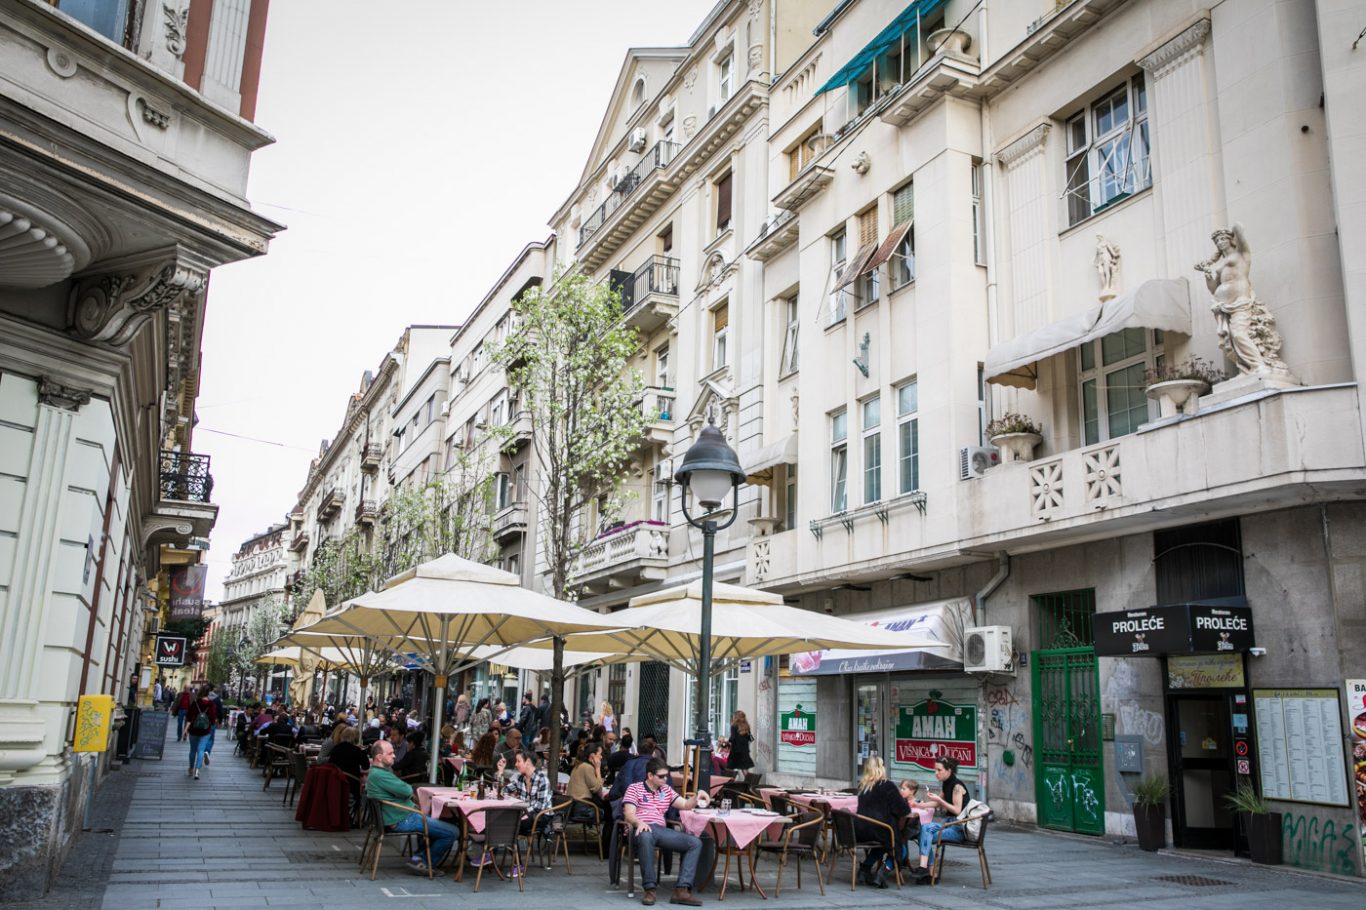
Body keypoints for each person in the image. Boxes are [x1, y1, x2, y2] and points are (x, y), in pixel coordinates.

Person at [366, 740, 458, 876]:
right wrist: (405, 790)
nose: (394, 756)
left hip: (400, 816)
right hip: (402, 818)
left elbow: (403, 789)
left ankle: (418, 858)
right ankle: (424, 863)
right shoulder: (380, 775)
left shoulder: (378, 772)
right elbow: (407, 791)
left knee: (444, 822)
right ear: (379, 757)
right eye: (390, 753)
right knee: (453, 832)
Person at [623, 758, 707, 907]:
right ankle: (650, 889)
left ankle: (681, 890)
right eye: (661, 776)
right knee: (646, 837)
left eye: (666, 776)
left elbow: (685, 805)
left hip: (660, 829)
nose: (665, 779)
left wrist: (697, 796)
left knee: (695, 843)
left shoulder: (666, 790)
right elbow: (629, 813)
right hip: (640, 829)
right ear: (650, 775)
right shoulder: (634, 788)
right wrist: (639, 823)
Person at [910, 756, 970, 882]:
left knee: (924, 831)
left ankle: (927, 870)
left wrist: (939, 800)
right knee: (923, 829)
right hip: (948, 825)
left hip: (958, 828)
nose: (936, 773)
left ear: (949, 770)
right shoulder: (947, 784)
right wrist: (920, 805)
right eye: (935, 770)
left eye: (939, 770)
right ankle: (928, 872)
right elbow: (937, 804)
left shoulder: (957, 787)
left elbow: (957, 810)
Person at [853, 756, 909, 887]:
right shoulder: (887, 785)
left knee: (883, 845)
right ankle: (883, 872)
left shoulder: (863, 786)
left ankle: (864, 869)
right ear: (881, 768)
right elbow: (903, 810)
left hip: (860, 830)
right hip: (879, 828)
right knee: (900, 847)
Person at [569, 743, 612, 853]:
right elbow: (597, 789)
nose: (601, 757)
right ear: (592, 756)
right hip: (583, 808)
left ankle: (605, 848)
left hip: (574, 806)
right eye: (599, 754)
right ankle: (606, 849)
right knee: (609, 813)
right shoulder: (587, 767)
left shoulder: (580, 765)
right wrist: (597, 769)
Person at [499, 749, 553, 837]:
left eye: (518, 761)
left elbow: (539, 808)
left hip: (540, 817)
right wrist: (500, 771)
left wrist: (519, 811)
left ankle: (506, 848)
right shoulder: (520, 778)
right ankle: (499, 848)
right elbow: (503, 791)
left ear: (527, 762)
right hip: (525, 814)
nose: (516, 764)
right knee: (501, 821)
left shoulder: (542, 780)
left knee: (507, 823)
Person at [326, 724, 370, 807]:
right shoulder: (357, 751)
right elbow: (366, 766)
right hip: (351, 785)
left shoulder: (336, 748)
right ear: (356, 738)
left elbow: (330, 764)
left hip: (335, 784)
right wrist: (363, 752)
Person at [185, 686, 216, 780]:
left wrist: (185, 729)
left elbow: (189, 716)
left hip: (194, 730)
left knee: (192, 750)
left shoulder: (195, 702)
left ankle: (190, 768)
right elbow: (213, 719)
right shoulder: (211, 704)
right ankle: (197, 771)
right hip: (205, 730)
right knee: (201, 750)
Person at [726, 710, 754, 774]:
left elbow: (733, 738)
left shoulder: (734, 726)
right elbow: (749, 738)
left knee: (729, 767)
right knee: (744, 768)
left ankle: (729, 782)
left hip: (736, 750)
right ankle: (749, 782)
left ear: (736, 717)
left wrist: (727, 741)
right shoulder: (746, 726)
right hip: (744, 750)